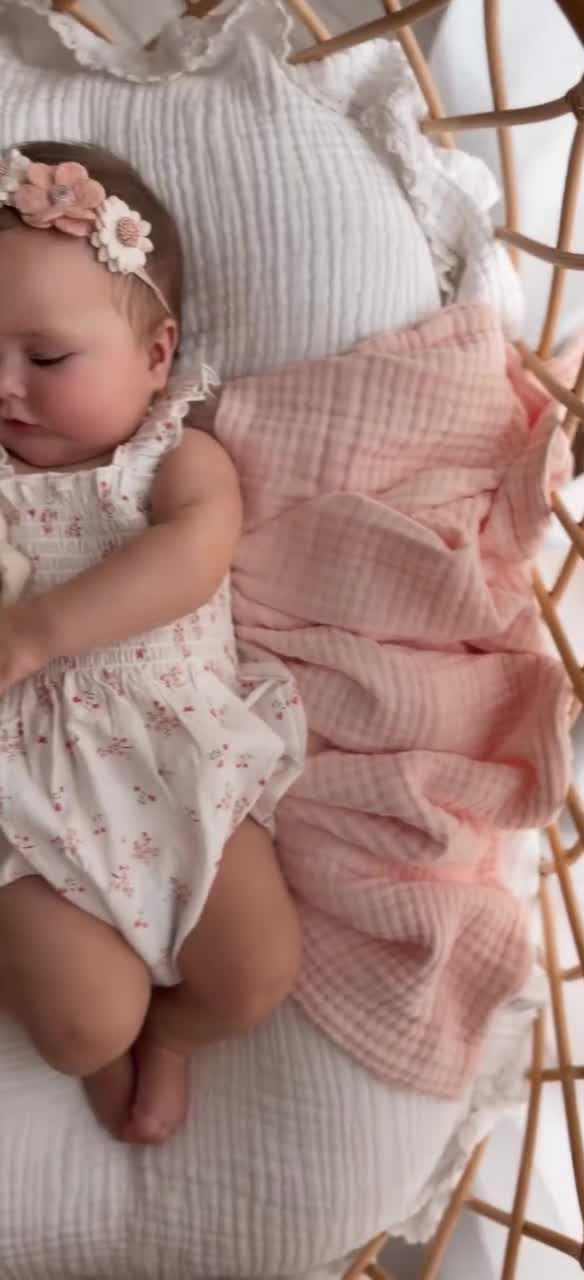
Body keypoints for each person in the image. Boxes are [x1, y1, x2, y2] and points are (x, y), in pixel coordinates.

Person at [0, 142, 305, 1145]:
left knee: (255, 974)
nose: (6, 387)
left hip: (178, 762)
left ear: (156, 355)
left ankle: (173, 1033)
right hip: (24, 788)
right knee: (81, 1023)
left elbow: (193, 558)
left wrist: (39, 629)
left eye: (47, 359)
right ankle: (110, 1044)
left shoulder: (174, 460)